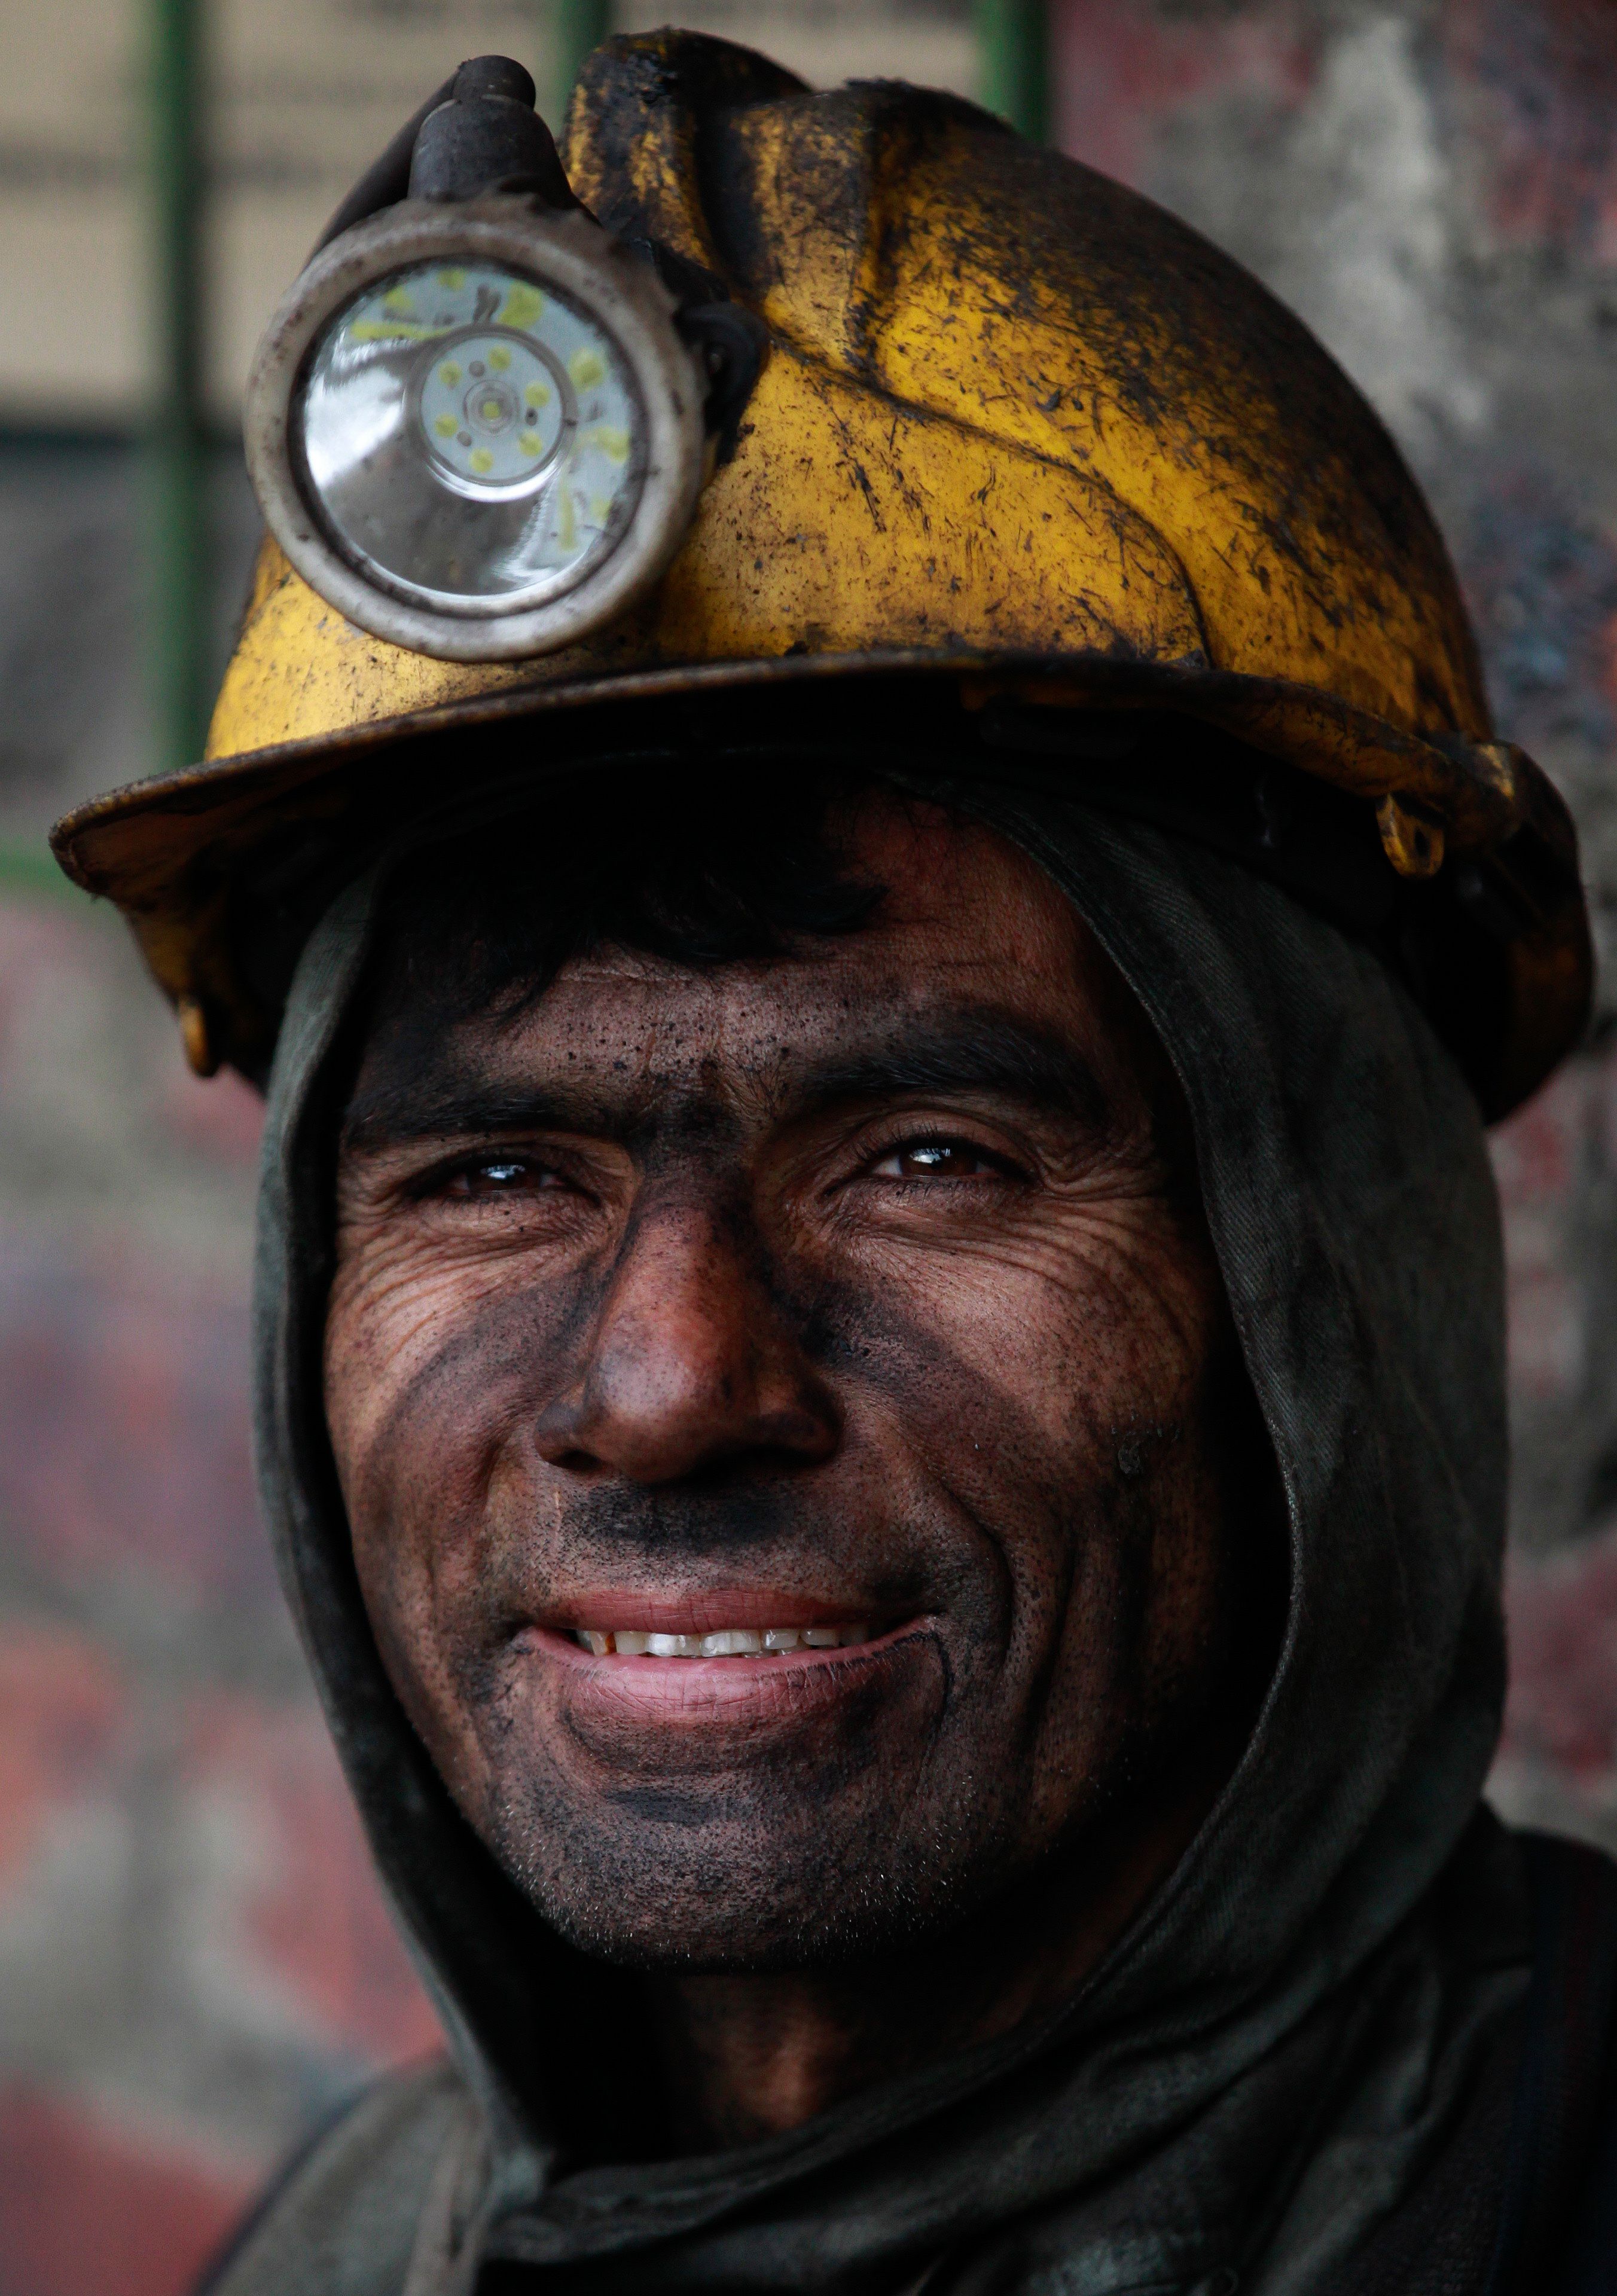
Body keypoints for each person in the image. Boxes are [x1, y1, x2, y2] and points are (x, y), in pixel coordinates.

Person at [52, 30, 1616, 2295]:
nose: (673, 1385)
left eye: (929, 1156)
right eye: (496, 1177)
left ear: (1330, 1274)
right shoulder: (338, 2247)